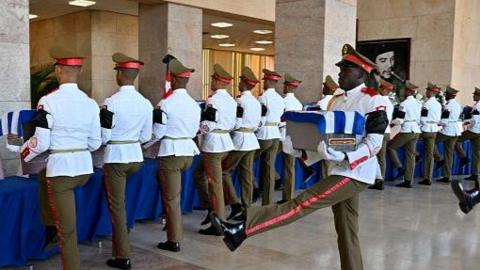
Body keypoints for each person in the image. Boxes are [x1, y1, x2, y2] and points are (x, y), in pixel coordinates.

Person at [211, 44, 388, 270]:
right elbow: (330, 138)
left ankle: (243, 228)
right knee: (346, 229)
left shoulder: (373, 100)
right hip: (338, 167)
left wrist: (346, 156)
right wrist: (301, 149)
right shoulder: (337, 99)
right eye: (341, 68)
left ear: (361, 74)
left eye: (346, 69)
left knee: (301, 203)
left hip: (355, 171)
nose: (340, 73)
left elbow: (374, 143)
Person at [20, 47, 102, 270]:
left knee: (67, 232)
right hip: (84, 170)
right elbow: (95, 143)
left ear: (58, 71)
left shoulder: (48, 102)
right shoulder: (91, 103)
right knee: (44, 179)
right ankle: (50, 226)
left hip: (62, 171)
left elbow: (42, 143)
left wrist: (23, 150)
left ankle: (54, 235)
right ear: (80, 71)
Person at [101, 53, 153, 269]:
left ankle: (122, 255)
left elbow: (104, 137)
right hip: (136, 156)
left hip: (116, 158)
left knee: (117, 207)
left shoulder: (110, 102)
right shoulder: (146, 103)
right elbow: (146, 136)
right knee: (123, 202)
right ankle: (126, 232)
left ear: (120, 74)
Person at [153, 59, 201, 252]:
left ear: (172, 79)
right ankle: (171, 224)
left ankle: (174, 239)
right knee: (173, 195)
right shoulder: (194, 105)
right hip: (188, 153)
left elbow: (158, 132)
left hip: (171, 152)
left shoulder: (165, 103)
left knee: (172, 198)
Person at [193, 64, 237, 235]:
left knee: (215, 184)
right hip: (226, 142)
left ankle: (219, 223)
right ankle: (211, 209)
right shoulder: (232, 101)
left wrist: (195, 130)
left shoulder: (213, 100)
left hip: (214, 145)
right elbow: (234, 124)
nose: (211, 81)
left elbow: (208, 124)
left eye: (212, 79)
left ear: (218, 81)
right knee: (199, 174)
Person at [222, 67, 262, 220]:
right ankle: (247, 209)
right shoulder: (256, 102)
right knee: (247, 174)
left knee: (224, 171)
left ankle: (234, 204)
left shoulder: (239, 101)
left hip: (239, 139)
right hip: (251, 139)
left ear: (244, 83)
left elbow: (235, 124)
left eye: (240, 81)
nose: (238, 84)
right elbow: (258, 124)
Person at [254, 69, 286, 205]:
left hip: (264, 133)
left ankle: (254, 189)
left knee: (248, 161)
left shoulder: (263, 97)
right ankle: (267, 200)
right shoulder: (280, 98)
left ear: (267, 81)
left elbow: (260, 118)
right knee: (269, 166)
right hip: (276, 134)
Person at [387, 81, 421, 188]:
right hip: (416, 130)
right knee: (410, 156)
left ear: (408, 91)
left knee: (391, 148)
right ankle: (408, 180)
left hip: (407, 130)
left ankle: (399, 167)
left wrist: (390, 123)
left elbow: (400, 120)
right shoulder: (418, 103)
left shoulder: (404, 104)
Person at [277, 73, 303, 203]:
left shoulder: (283, 101)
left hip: (282, 135)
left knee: (276, 164)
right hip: (294, 136)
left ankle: (286, 196)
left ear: (287, 87)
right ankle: (289, 195)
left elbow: (279, 121)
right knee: (290, 167)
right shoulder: (298, 103)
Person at [369, 78, 394, 190]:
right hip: (386, 131)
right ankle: (380, 179)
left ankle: (379, 179)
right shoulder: (390, 102)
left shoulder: (379, 100)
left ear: (383, 89)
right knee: (381, 157)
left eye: (380, 88)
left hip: (379, 132)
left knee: (374, 156)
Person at [434, 86, 462, 183]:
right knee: (449, 154)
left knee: (432, 141)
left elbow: (444, 121)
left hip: (448, 130)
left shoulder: (448, 106)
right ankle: (447, 176)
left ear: (450, 95)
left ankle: (439, 159)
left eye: (446, 94)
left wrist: (436, 123)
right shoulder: (458, 105)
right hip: (455, 130)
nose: (445, 96)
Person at [418, 82, 442, 185]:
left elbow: (422, 119)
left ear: (430, 92)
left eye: (427, 90)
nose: (426, 92)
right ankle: (428, 178)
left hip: (426, 128)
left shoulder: (426, 104)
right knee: (429, 154)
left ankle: (416, 155)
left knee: (410, 139)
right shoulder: (438, 104)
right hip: (434, 129)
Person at [455, 87, 480, 181]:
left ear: (478, 96)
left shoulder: (477, 106)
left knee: (455, 139)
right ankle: (475, 174)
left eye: (475, 95)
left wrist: (465, 125)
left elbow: (475, 121)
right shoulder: (476, 105)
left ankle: (463, 157)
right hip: (479, 131)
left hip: (474, 130)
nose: (473, 96)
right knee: (476, 154)